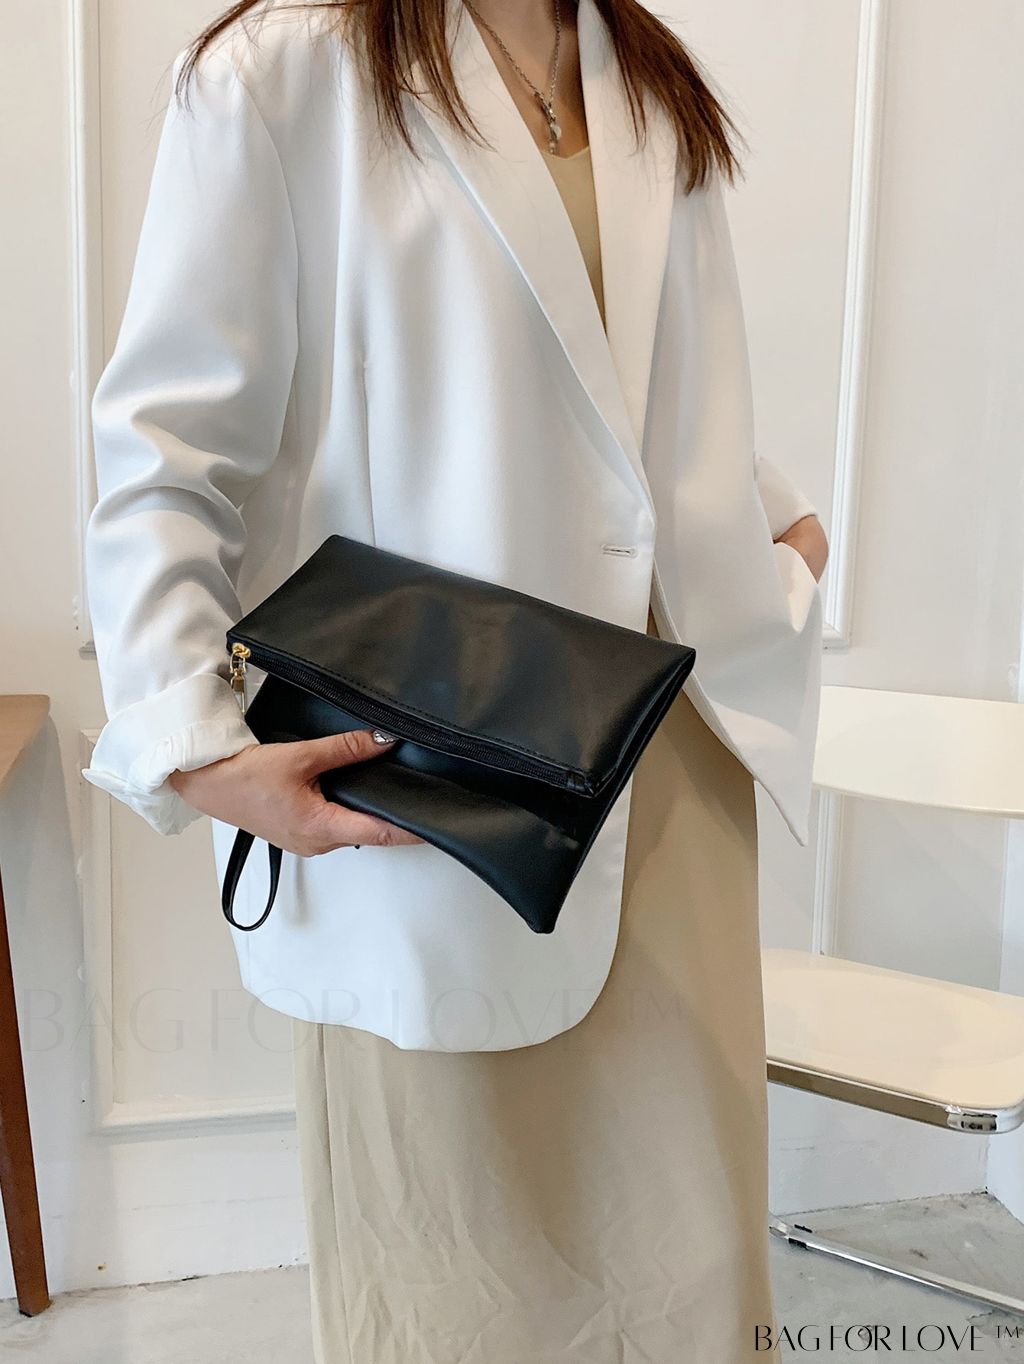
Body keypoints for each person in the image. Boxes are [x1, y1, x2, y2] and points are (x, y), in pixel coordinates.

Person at [81, 0, 828, 1358]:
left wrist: (775, 523)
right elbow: (164, 457)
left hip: (673, 769)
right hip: (437, 794)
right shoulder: (281, 73)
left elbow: (620, 390)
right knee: (455, 1293)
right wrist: (195, 746)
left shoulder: (642, 74)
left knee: (696, 1283)